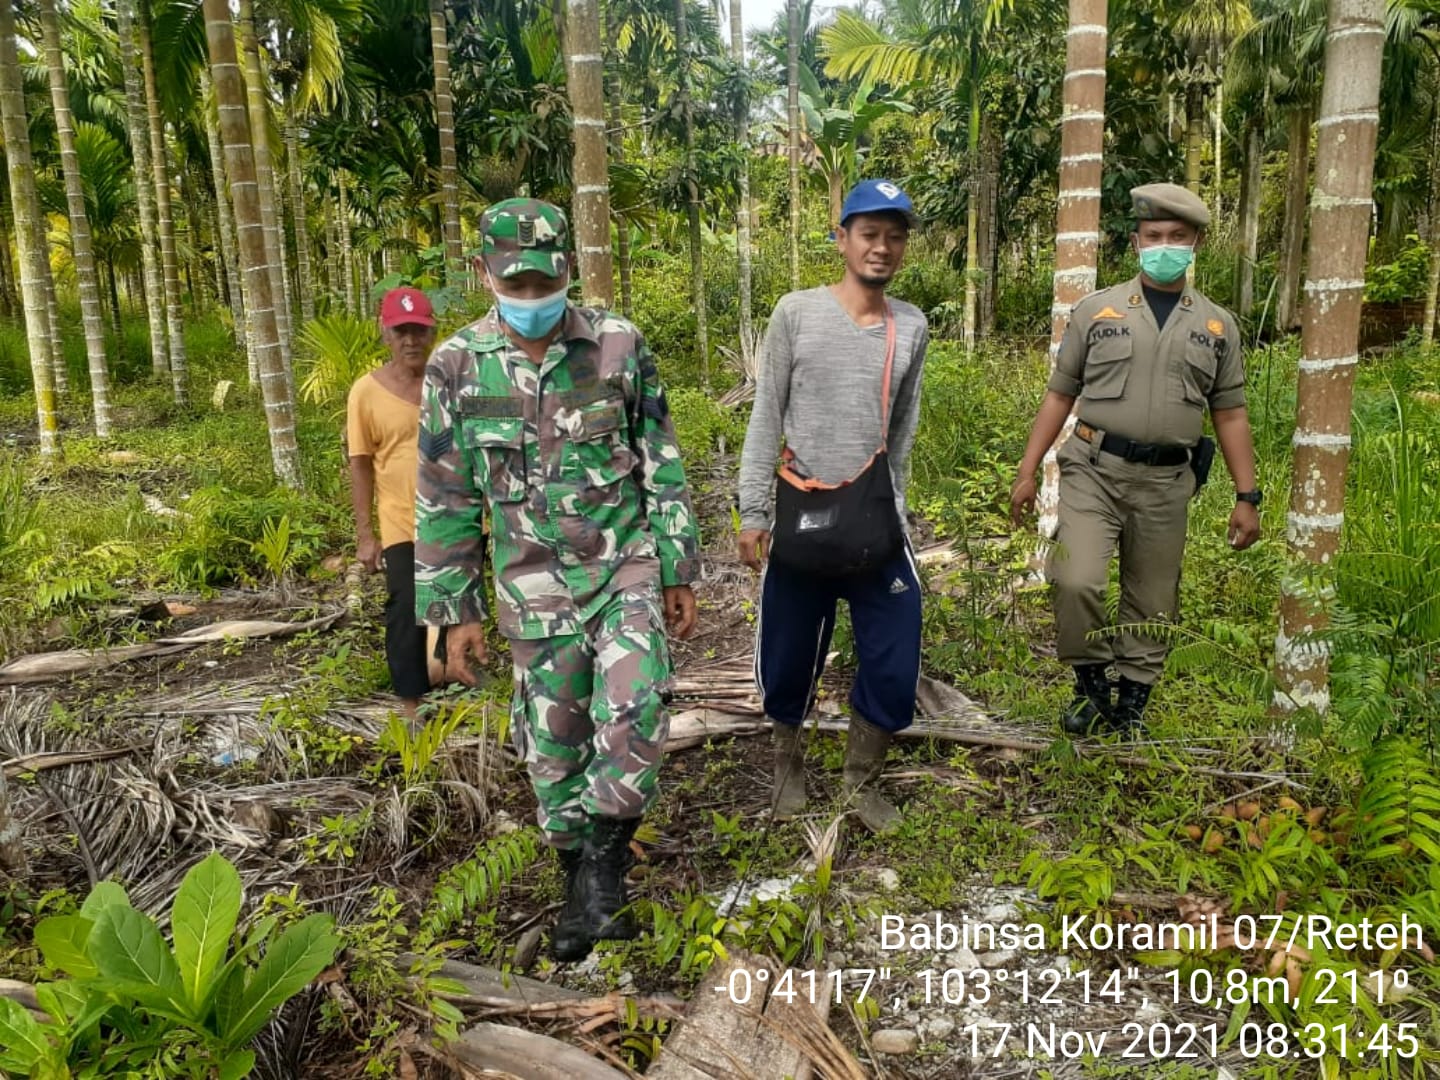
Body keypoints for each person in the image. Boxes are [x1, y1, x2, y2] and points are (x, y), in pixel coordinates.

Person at [414, 198, 701, 962]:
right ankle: (579, 881)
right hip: (528, 585)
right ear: (484, 273)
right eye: (518, 284)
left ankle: (605, 874)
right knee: (552, 748)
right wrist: (454, 612)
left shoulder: (617, 345)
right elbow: (444, 496)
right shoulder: (455, 365)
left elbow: (660, 457)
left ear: (568, 270)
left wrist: (678, 566)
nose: (533, 299)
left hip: (622, 567)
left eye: (545, 284)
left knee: (634, 704)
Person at [1009, 182, 1261, 737]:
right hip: (1093, 470)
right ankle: (1093, 685)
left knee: (1152, 599)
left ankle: (1131, 707)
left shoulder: (1217, 326)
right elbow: (1060, 395)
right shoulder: (1097, 311)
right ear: (1135, 242)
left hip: (1168, 480)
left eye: (1177, 236)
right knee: (1076, 579)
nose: (1164, 245)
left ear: (1195, 243)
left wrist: (1248, 496)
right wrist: (1028, 471)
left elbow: (1231, 414)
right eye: (1154, 236)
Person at [737, 179, 930, 834]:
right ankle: (786, 766)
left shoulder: (912, 328)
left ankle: (860, 781)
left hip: (875, 516)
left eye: (895, 236)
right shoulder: (797, 313)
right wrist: (754, 508)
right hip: (805, 510)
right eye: (870, 233)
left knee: (895, 646)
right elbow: (767, 414)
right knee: (790, 649)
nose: (883, 247)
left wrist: (899, 509)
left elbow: (901, 429)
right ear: (841, 237)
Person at [347, 286, 441, 724]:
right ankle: (411, 704)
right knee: (405, 607)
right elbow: (361, 463)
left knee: (456, 605)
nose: (411, 340)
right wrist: (366, 534)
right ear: (385, 334)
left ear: (433, 332)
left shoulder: (451, 380)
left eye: (419, 330)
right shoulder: (365, 392)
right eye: (401, 331)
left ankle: (450, 682)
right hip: (401, 520)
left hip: (457, 518)